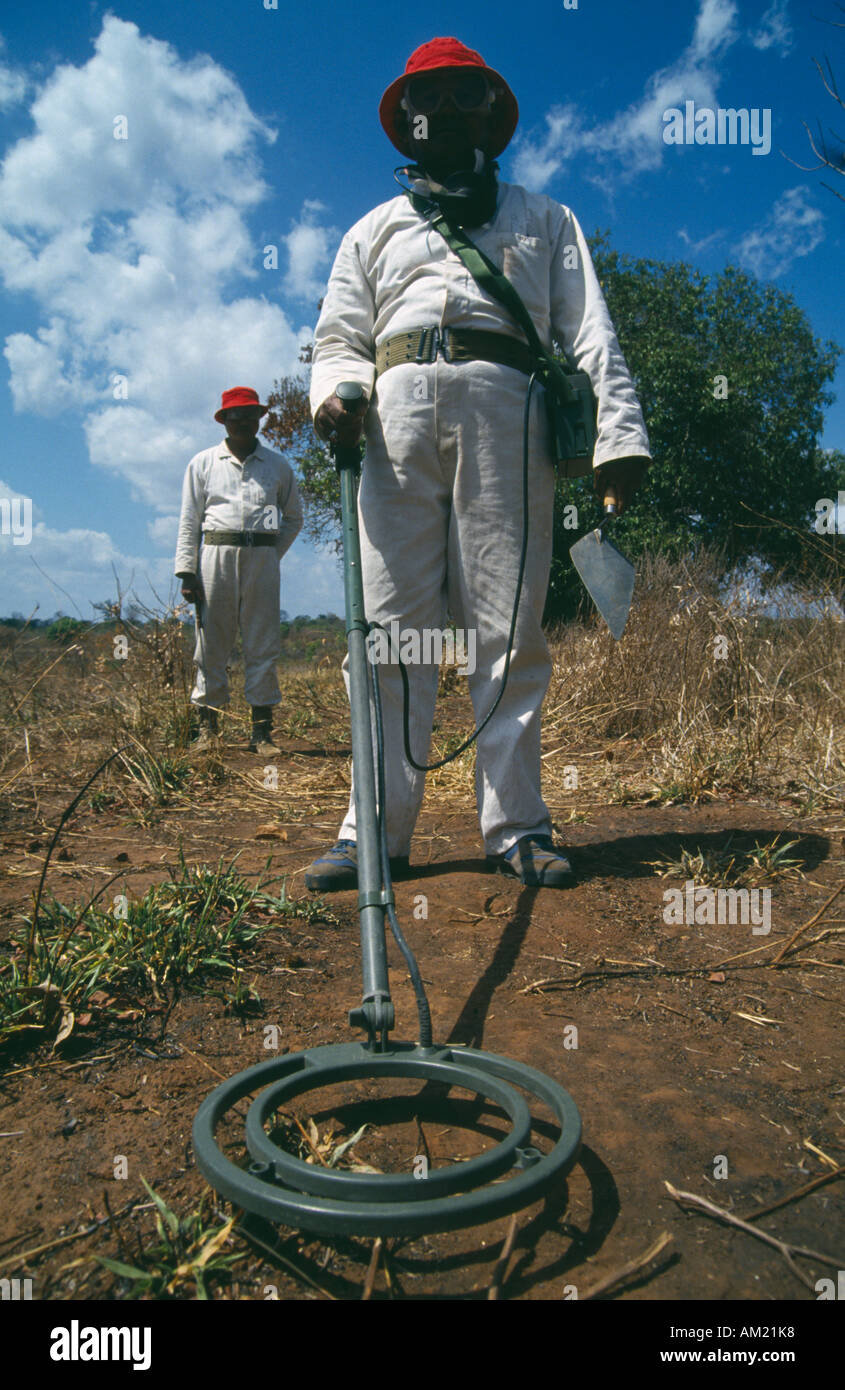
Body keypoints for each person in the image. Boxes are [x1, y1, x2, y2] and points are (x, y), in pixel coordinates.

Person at [305, 36, 650, 891]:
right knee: (385, 634)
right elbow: (340, 337)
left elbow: (588, 329)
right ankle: (373, 834)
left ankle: (517, 828)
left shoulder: (546, 219)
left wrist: (618, 437)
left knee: (506, 628)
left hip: (508, 410)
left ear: (492, 114)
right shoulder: (372, 230)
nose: (449, 110)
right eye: (433, 97)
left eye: (467, 95)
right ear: (407, 123)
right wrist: (338, 393)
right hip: (393, 420)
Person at [174, 387, 304, 754]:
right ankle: (208, 729)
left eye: (250, 414)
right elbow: (189, 520)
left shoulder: (277, 465)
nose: (244, 421)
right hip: (215, 554)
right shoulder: (203, 463)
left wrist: (270, 555)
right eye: (236, 416)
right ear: (224, 420)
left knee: (262, 643)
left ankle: (261, 733)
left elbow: (293, 518)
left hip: (261, 557)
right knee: (211, 644)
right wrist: (187, 571)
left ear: (260, 418)